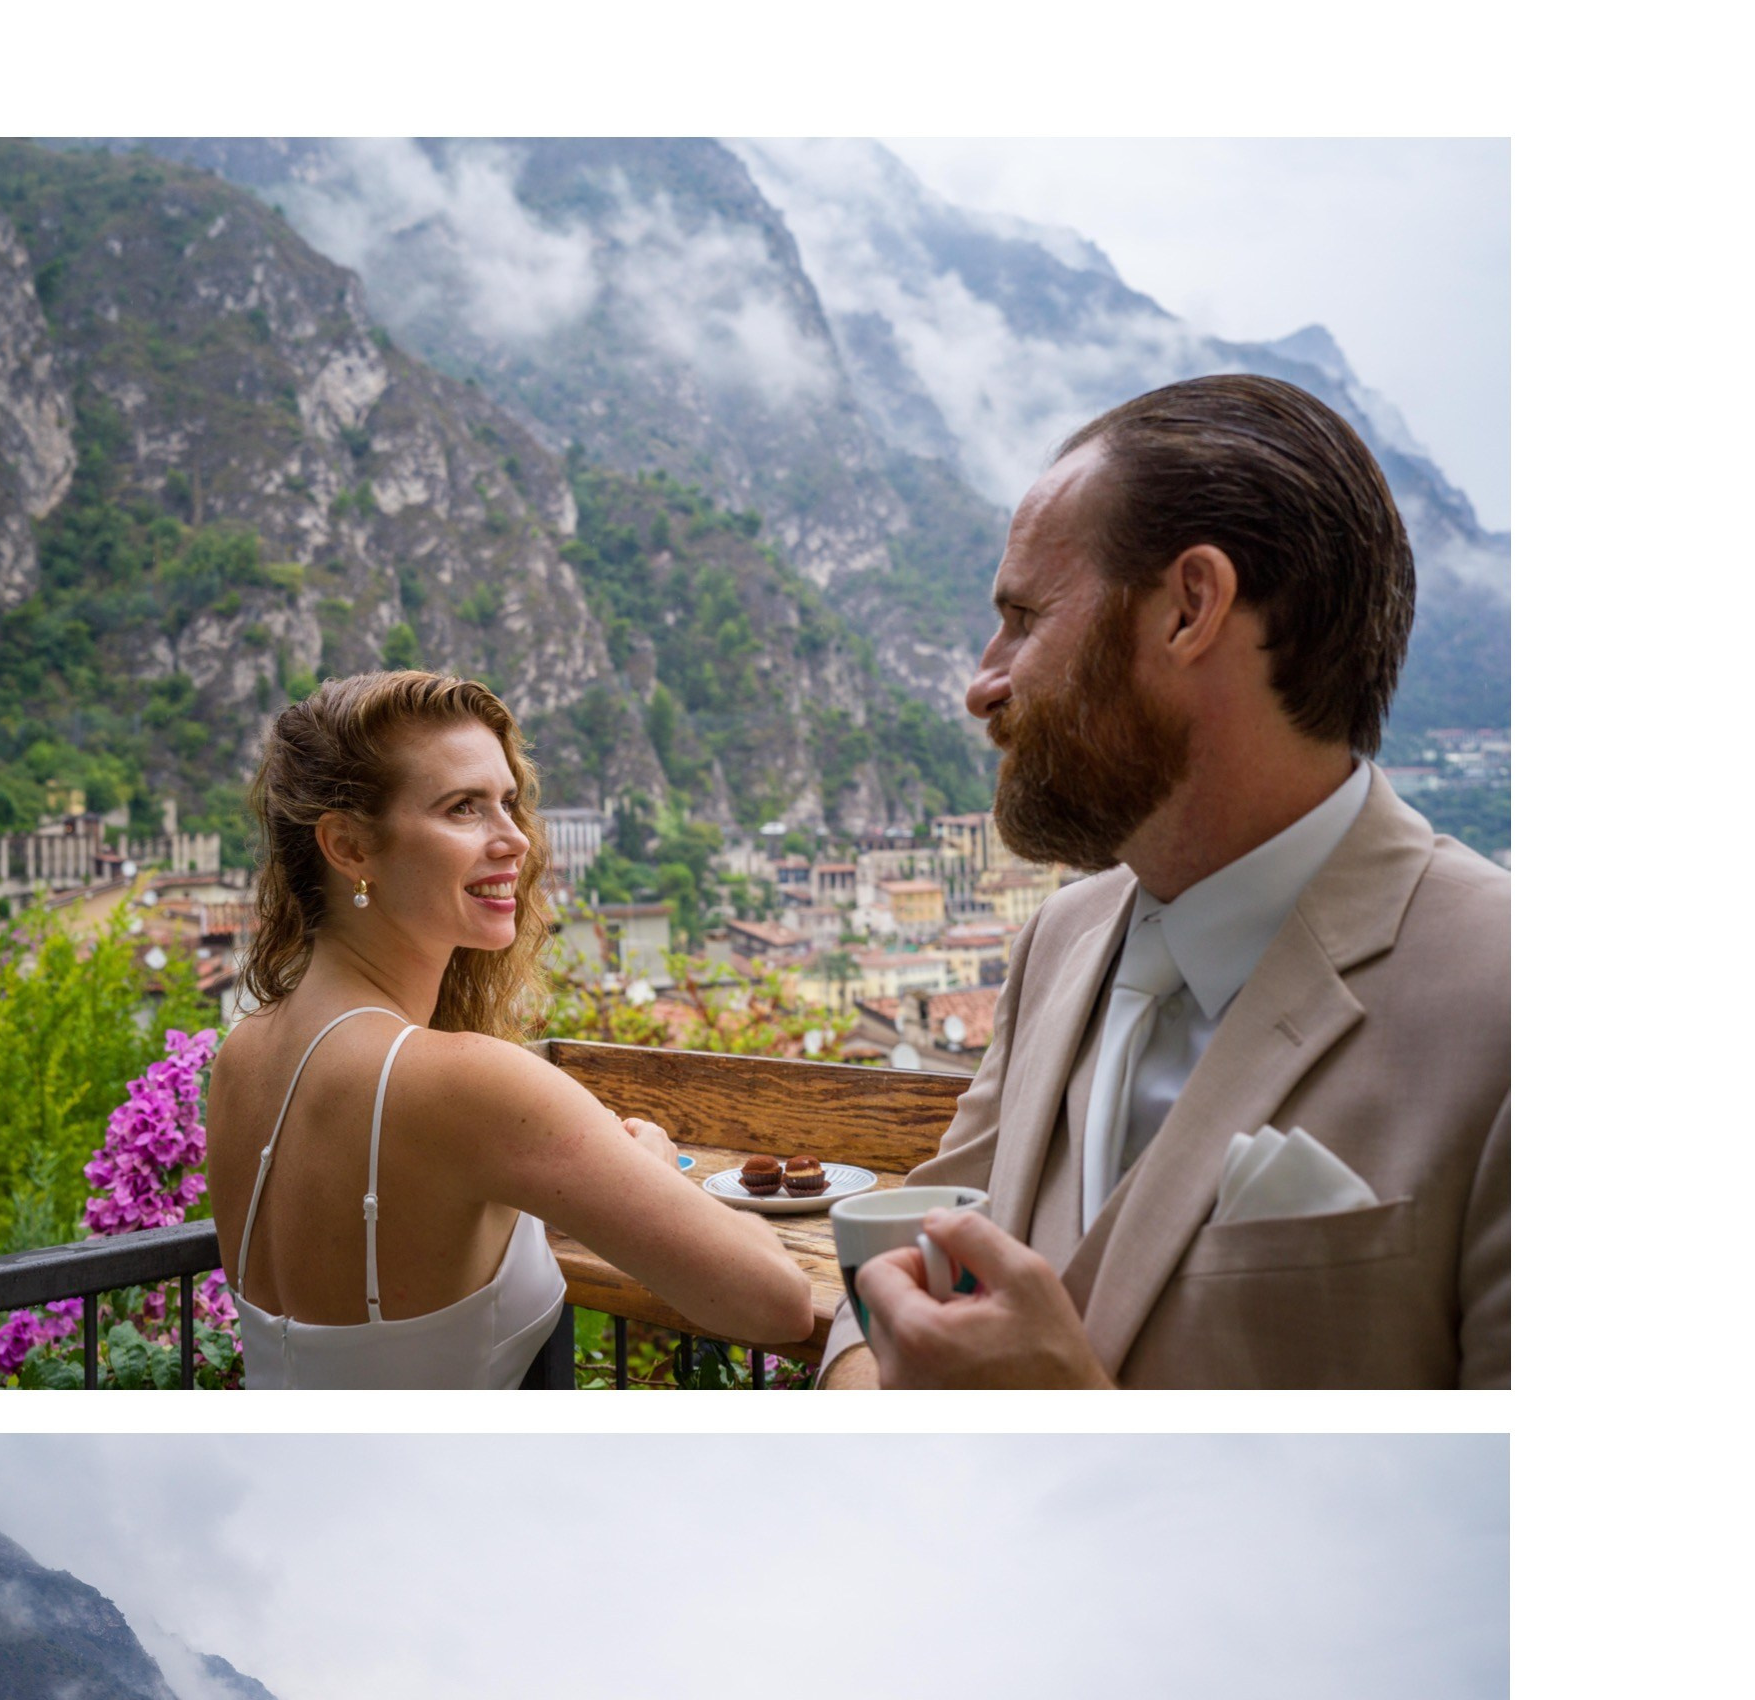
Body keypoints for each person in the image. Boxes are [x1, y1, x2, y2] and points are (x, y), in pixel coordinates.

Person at [820, 374, 1509, 1390]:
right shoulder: (1058, 941)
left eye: (1024, 618)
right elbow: (895, 1262)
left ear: (1191, 609)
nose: (982, 682)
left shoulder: (1514, 997)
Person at [206, 671, 814, 1387]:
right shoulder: (465, 1081)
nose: (516, 839)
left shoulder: (243, 1053)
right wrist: (653, 1173)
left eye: (508, 802)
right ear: (349, 847)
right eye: (463, 808)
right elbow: (777, 1301)